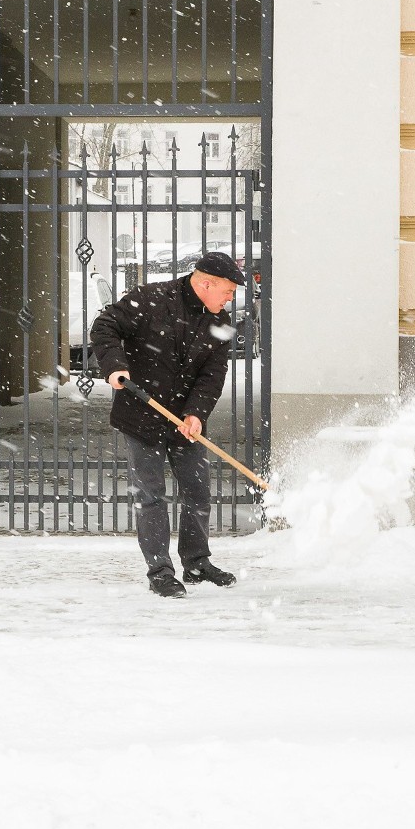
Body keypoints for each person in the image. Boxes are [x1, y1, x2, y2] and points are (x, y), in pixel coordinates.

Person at [90, 251, 245, 597]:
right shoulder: (151, 299)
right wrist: (114, 364)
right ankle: (160, 571)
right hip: (141, 413)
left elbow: (212, 374)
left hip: (182, 422)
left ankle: (196, 561)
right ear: (206, 283)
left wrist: (196, 414)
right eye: (228, 290)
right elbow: (105, 325)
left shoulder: (221, 321)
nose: (231, 297)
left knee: (198, 490)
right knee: (151, 495)